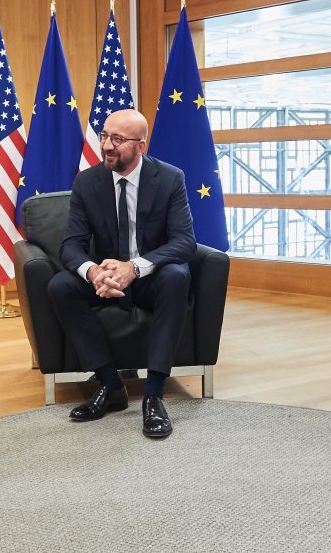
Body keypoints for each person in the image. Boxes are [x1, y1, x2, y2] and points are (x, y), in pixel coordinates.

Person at [46, 108, 197, 439]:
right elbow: (70, 245)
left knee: (176, 276)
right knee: (60, 286)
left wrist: (134, 268)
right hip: (107, 279)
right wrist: (94, 273)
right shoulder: (87, 181)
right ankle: (111, 385)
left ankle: (154, 394)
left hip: (148, 278)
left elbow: (185, 242)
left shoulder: (170, 178)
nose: (107, 146)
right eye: (104, 136)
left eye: (117, 139)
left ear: (141, 146)